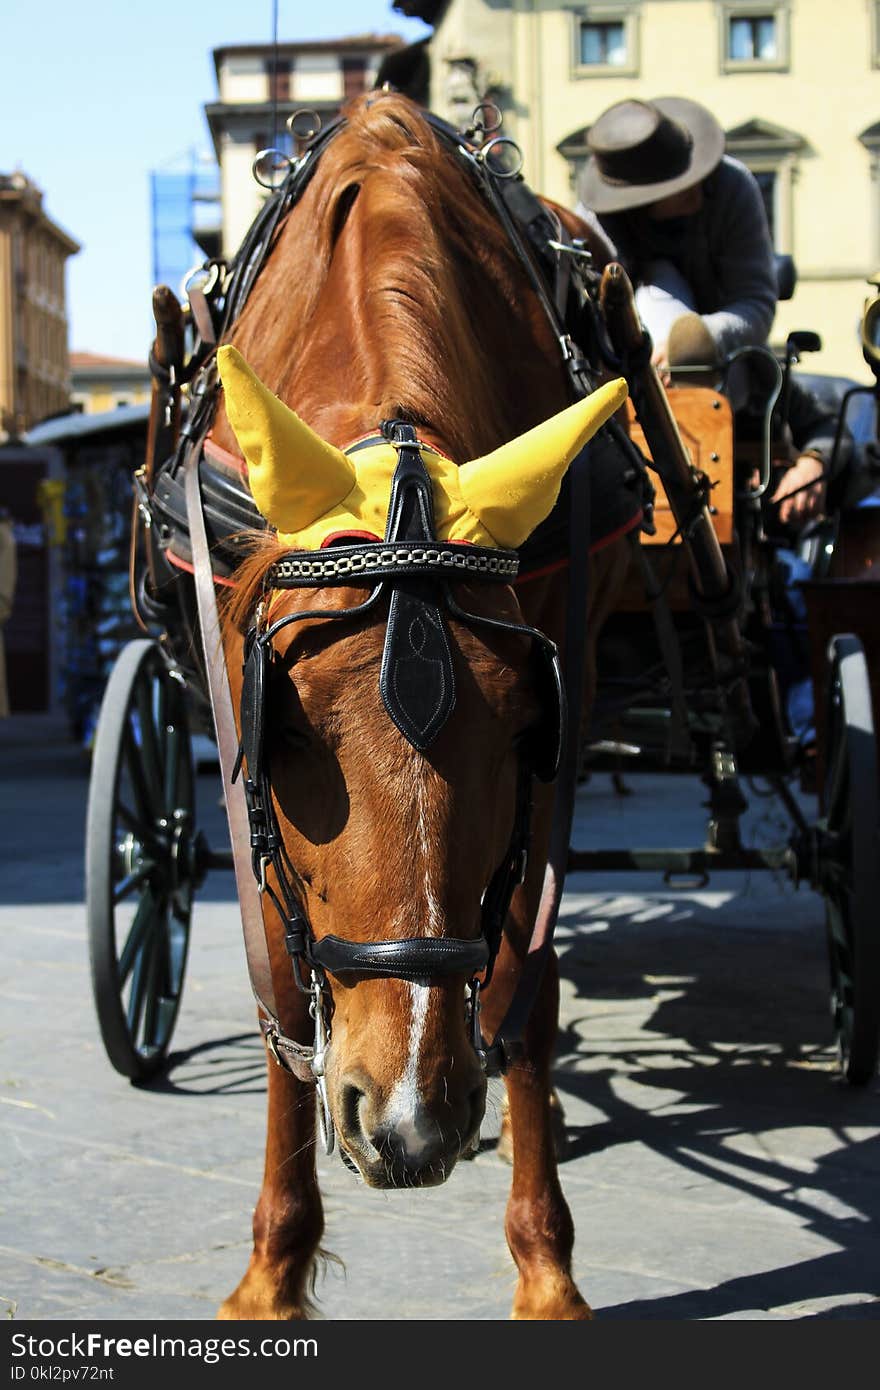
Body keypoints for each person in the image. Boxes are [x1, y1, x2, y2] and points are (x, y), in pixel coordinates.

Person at [575, 96, 778, 385]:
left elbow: (755, 303)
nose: (696, 185)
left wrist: (696, 341)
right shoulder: (592, 224)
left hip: (728, 372)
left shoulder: (732, 188)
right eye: (678, 184)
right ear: (637, 198)